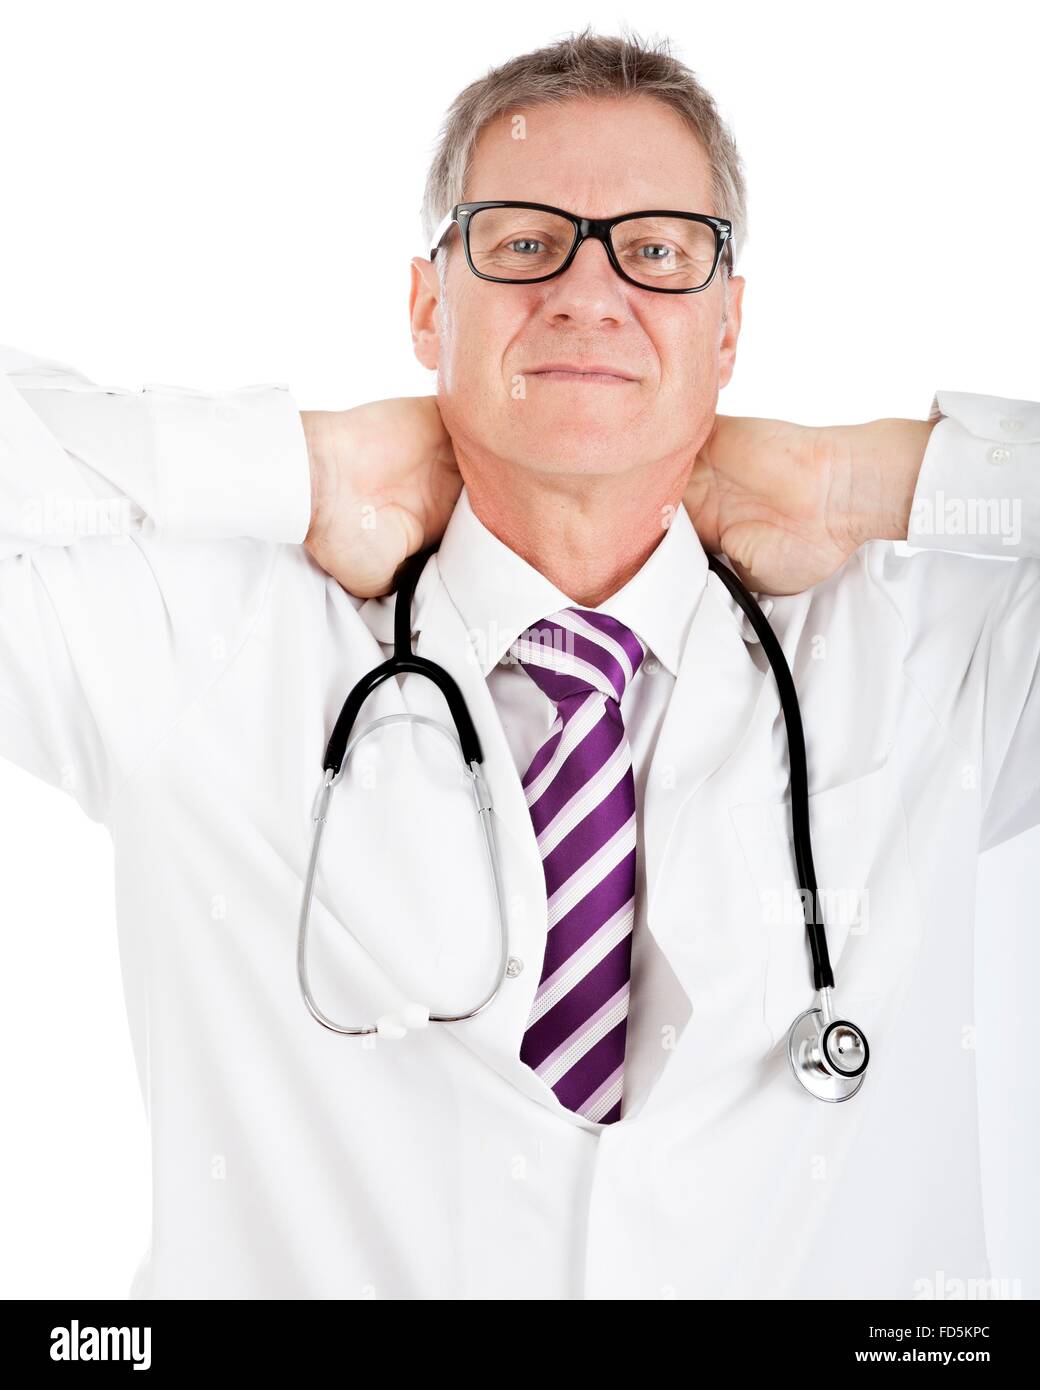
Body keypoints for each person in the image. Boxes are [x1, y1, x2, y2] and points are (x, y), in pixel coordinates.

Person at [1, 28, 1037, 1300]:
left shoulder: (939, 659)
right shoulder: (197, 644)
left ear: (730, 327)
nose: (587, 294)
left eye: (656, 250)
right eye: (522, 241)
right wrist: (302, 462)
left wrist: (868, 475)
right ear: (431, 304)